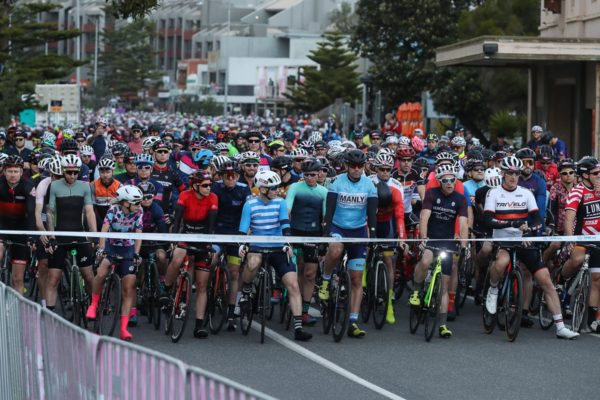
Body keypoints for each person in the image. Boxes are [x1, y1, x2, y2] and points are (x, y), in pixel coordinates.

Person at [483, 156, 578, 339]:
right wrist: (515, 222)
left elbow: (536, 219)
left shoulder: (526, 193)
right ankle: (493, 288)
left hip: (524, 241)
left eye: (516, 174)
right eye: (509, 173)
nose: (513, 177)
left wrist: (528, 233)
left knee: (545, 280)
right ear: (503, 173)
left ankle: (560, 326)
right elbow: (488, 220)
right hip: (503, 241)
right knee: (501, 262)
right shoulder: (493, 193)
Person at [238, 170, 312, 341]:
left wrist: (287, 243)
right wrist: (242, 245)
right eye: (272, 188)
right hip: (257, 246)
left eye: (277, 187)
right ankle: (247, 287)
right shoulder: (250, 204)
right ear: (262, 189)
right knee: (253, 262)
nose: (276, 190)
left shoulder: (280, 203)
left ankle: (298, 327)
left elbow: (285, 225)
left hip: (278, 247)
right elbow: (243, 229)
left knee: (293, 285)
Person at [319, 149, 378, 338]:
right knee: (335, 251)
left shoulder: (369, 185)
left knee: (356, 278)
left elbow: (372, 214)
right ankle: (326, 281)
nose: (357, 169)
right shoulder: (337, 183)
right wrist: (326, 232)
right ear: (346, 166)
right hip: (338, 227)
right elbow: (329, 210)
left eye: (360, 166)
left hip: (359, 230)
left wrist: (373, 236)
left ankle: (353, 321)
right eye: (353, 166)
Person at [409, 163, 468, 338]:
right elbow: (424, 217)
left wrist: (464, 246)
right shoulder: (432, 193)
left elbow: (464, 223)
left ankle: (442, 325)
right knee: (426, 261)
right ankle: (416, 290)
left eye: (453, 180)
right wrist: (423, 238)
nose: (450, 183)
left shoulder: (460, 198)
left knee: (444, 286)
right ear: (440, 181)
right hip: (432, 238)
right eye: (446, 180)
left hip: (448, 242)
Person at [162, 170, 218, 339]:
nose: (209, 188)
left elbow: (211, 224)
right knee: (178, 257)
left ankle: (199, 325)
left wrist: (208, 245)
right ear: (194, 186)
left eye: (210, 185)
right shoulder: (185, 195)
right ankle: (166, 289)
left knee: (202, 285)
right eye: (205, 186)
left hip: (203, 237)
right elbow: (177, 218)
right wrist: (174, 241)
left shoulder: (213, 198)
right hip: (185, 235)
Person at [86, 185, 143, 341]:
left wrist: (136, 253)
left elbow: (139, 234)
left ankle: (123, 329)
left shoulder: (139, 212)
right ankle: (94, 303)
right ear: (125, 203)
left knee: (129, 286)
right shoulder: (113, 211)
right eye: (136, 202)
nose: (140, 205)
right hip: (111, 246)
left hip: (127, 248)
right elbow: (104, 231)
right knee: (102, 271)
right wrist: (101, 249)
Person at [44, 154, 97, 312]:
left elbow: (89, 212)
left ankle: (95, 307)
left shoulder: (85, 186)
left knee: (88, 276)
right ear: (63, 170)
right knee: (53, 278)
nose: (72, 175)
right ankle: (49, 314)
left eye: (75, 172)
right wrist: (51, 236)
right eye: (69, 172)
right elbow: (50, 213)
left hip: (79, 234)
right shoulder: (54, 186)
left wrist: (93, 234)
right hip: (60, 235)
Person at [286, 158, 328, 326]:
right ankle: (290, 297)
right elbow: (287, 209)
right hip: (295, 232)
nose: (310, 178)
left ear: (319, 174)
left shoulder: (324, 192)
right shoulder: (295, 187)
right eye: (307, 175)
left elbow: (325, 218)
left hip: (313, 234)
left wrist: (325, 240)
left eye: (313, 175)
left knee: (310, 274)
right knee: (296, 271)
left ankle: (304, 310)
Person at [368, 152, 407, 324]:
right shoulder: (368, 183)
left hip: (387, 223)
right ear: (375, 168)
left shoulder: (397, 186)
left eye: (388, 169)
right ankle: (362, 278)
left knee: (389, 260)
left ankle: (389, 302)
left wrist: (402, 237)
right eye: (381, 169)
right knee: (364, 252)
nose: (384, 172)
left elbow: (399, 216)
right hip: (369, 220)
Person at [562, 156, 600, 332]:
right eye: (596, 173)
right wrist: (570, 239)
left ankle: (593, 320)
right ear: (585, 175)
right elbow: (569, 218)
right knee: (577, 260)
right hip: (582, 238)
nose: (599, 176)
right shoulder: (577, 191)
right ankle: (563, 280)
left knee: (597, 280)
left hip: (598, 239)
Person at [0, 156, 36, 294]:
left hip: (21, 230)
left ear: (21, 172)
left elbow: (31, 212)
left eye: (16, 171)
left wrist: (31, 237)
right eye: (10, 171)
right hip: (2, 227)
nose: (13, 175)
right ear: (4, 171)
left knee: (17, 279)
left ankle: (18, 313)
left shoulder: (28, 187)